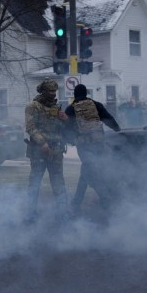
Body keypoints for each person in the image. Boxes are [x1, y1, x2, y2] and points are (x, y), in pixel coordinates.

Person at [65, 84, 121, 215]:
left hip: (84, 147)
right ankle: (104, 200)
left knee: (86, 173)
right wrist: (117, 129)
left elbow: (66, 129)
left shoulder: (71, 109)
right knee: (94, 171)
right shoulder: (96, 105)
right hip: (99, 144)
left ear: (75, 94)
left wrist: (72, 140)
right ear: (86, 93)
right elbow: (108, 119)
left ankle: (83, 203)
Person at [24, 78, 69, 223]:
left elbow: (61, 128)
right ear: (43, 91)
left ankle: (63, 214)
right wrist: (42, 142)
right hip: (39, 150)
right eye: (50, 91)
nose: (53, 93)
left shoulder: (56, 107)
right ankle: (30, 213)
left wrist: (65, 120)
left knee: (58, 182)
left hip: (56, 149)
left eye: (54, 91)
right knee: (35, 182)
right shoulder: (33, 106)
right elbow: (30, 127)